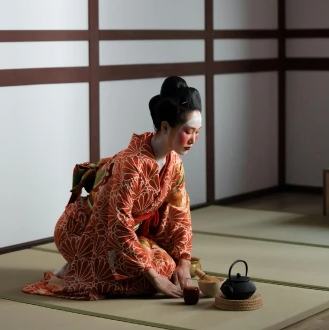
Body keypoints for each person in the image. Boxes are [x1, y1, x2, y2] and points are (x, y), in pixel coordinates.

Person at [23, 76, 202, 301]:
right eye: (189, 131)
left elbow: (179, 213)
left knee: (169, 266)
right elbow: (116, 223)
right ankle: (74, 270)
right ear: (165, 127)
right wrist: (153, 276)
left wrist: (184, 261)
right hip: (87, 230)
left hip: (125, 234)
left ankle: (105, 268)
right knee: (155, 279)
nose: (194, 139)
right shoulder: (132, 164)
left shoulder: (174, 162)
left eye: (198, 132)